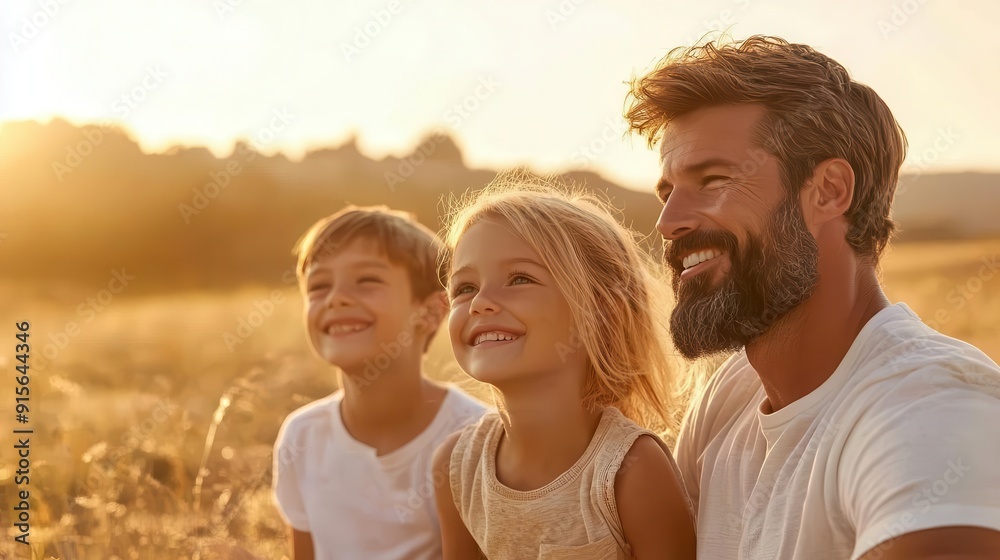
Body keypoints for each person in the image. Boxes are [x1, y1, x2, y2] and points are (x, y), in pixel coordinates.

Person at [625, 35, 1000, 559]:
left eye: (712, 179)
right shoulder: (734, 393)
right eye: (667, 193)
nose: (668, 223)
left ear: (828, 191)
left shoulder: (933, 405)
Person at [432, 181, 697, 559]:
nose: (480, 302)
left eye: (520, 279)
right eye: (464, 288)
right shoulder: (457, 466)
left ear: (602, 311)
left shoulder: (631, 470)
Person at [272, 205, 487, 560]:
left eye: (367, 281)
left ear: (430, 312)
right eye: (319, 286)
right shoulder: (301, 436)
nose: (336, 298)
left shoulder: (476, 437)